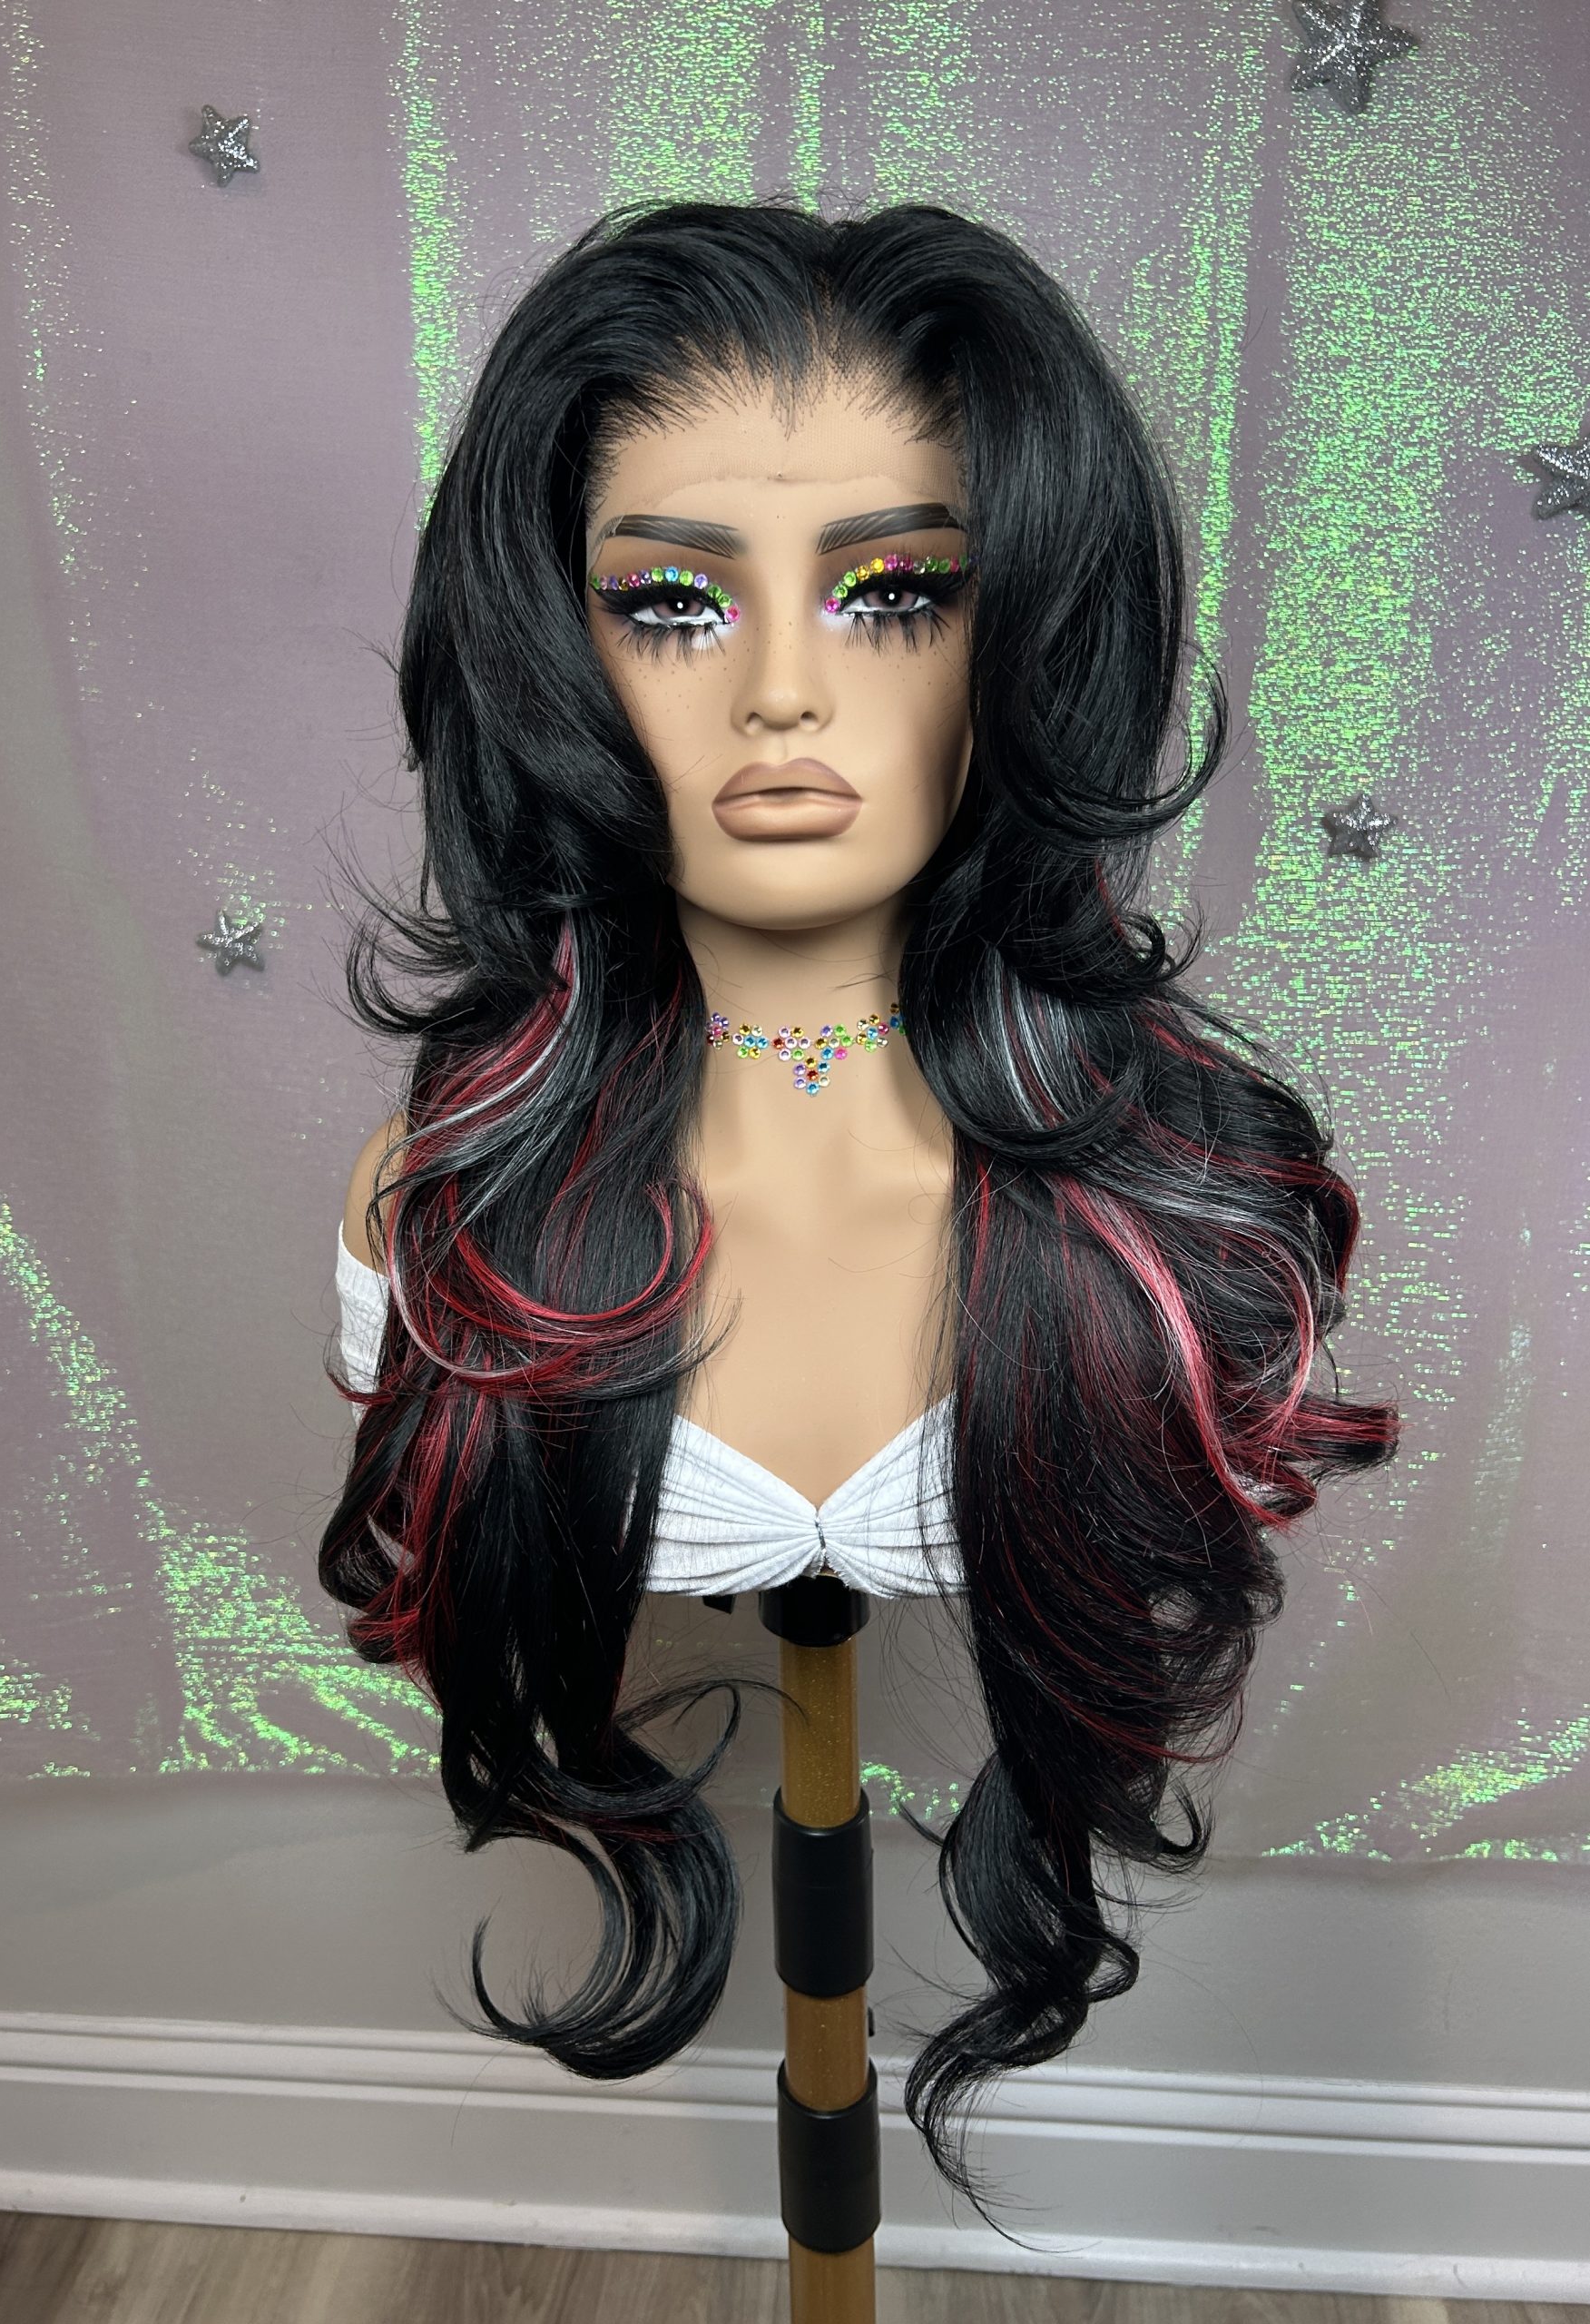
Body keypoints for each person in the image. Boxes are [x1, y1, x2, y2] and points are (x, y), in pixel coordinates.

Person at [320, 198, 1399, 2203]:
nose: (782, 694)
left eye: (892, 591)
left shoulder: (1171, 1208)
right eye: (674, 601)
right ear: (555, 649)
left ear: (1022, 636)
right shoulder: (453, 1205)